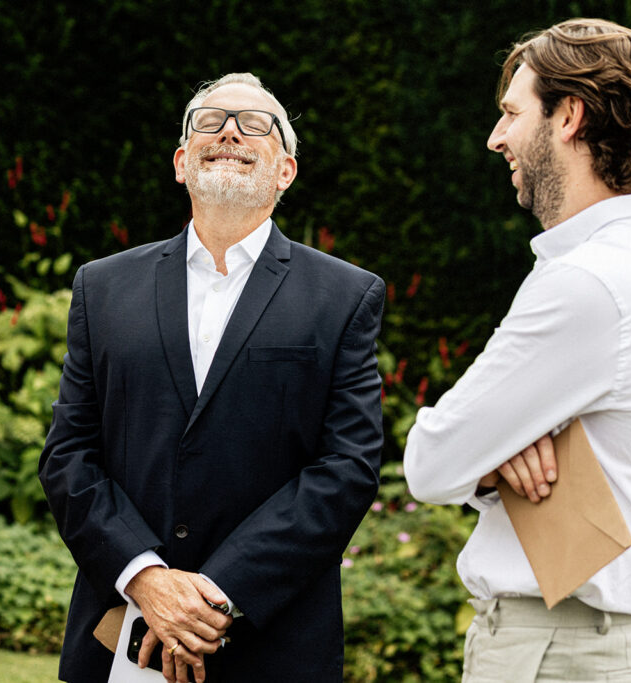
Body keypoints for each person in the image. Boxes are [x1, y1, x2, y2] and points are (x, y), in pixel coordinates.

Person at [39, 73, 385, 683]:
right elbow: (69, 453)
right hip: (121, 635)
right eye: (209, 120)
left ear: (285, 170)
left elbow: (347, 468)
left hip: (272, 645)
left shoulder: (344, 296)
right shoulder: (103, 286)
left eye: (256, 124)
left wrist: (216, 593)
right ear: (180, 162)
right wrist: (145, 578)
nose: (229, 130)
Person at [403, 18, 631, 681]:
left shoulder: (587, 284)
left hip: (564, 648)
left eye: (512, 112)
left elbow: (429, 462)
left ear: (569, 115)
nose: (496, 137)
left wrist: (487, 453)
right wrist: (498, 448)